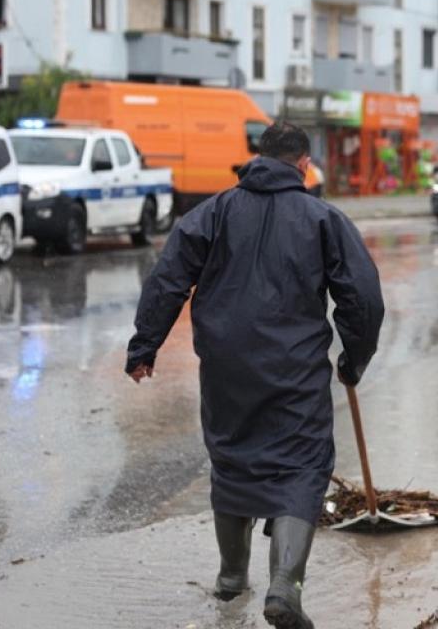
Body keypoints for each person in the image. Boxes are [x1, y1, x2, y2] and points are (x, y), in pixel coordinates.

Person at [125, 122, 385, 629]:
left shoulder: (212, 213)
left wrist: (145, 345)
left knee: (233, 456)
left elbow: (169, 277)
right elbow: (363, 297)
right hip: (295, 369)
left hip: (225, 365)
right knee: (302, 465)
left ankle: (230, 580)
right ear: (304, 165)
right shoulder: (322, 218)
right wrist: (355, 356)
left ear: (257, 158)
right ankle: (285, 586)